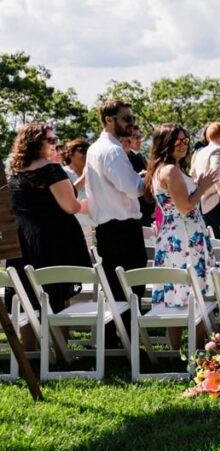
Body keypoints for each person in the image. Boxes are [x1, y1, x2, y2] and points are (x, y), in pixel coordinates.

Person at [7, 123, 91, 333]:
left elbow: (50, 197)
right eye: (51, 140)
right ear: (35, 143)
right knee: (58, 293)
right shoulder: (51, 170)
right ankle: (61, 353)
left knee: (26, 296)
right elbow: (70, 205)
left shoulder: (17, 173)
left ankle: (31, 350)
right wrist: (89, 205)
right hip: (53, 241)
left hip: (24, 243)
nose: (57, 145)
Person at [147, 124, 218, 347]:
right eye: (178, 141)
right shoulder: (169, 170)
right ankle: (191, 348)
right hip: (183, 235)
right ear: (165, 143)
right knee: (190, 289)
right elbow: (185, 206)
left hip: (180, 233)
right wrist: (204, 186)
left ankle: (181, 347)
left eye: (186, 141)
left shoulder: (170, 168)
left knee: (178, 290)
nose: (184, 145)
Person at [86, 100, 148, 302]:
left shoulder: (94, 148)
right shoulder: (112, 151)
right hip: (124, 232)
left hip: (106, 231)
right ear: (109, 120)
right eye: (126, 118)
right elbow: (133, 188)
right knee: (132, 292)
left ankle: (115, 334)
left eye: (132, 118)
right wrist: (147, 178)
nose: (131, 123)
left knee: (115, 294)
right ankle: (129, 333)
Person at [190, 122, 220, 238]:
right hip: (217, 202)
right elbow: (215, 175)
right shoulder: (219, 150)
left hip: (203, 203)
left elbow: (192, 173)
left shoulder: (200, 152)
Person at [61, 138, 94, 244]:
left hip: (96, 223)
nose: (86, 154)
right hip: (77, 225)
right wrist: (84, 178)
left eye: (88, 151)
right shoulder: (64, 173)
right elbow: (67, 195)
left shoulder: (92, 172)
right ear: (70, 153)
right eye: (82, 150)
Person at [126, 126, 156, 226]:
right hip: (138, 211)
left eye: (140, 136)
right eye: (135, 137)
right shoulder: (126, 157)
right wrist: (141, 176)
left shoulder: (140, 156)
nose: (139, 140)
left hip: (147, 211)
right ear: (127, 138)